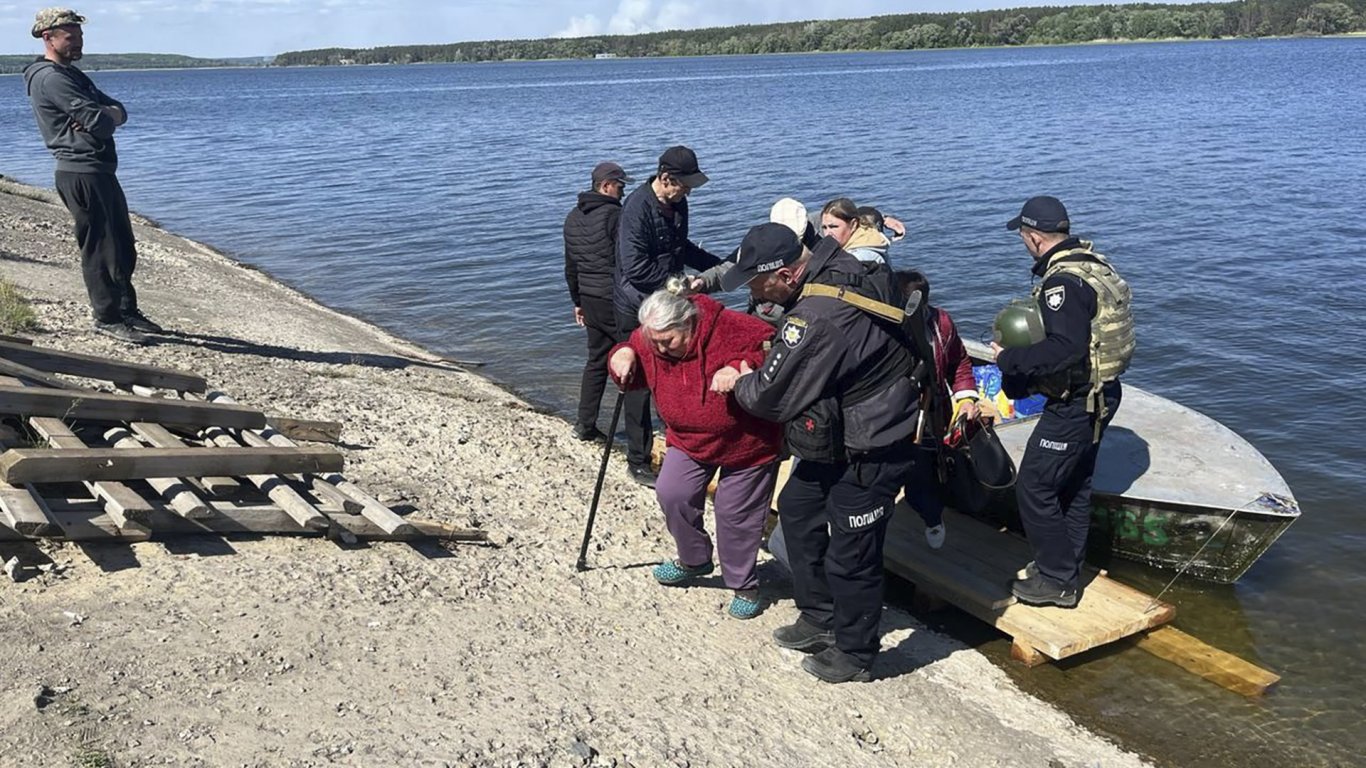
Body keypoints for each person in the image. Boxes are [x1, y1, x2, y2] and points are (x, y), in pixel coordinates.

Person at [724, 223, 920, 684]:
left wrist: (738, 383)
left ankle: (856, 654)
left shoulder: (813, 318)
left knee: (854, 553)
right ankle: (820, 615)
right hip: (839, 430)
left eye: (757, 282)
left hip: (873, 441)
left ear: (788, 275)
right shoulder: (839, 263)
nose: (753, 291)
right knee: (797, 506)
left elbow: (770, 397)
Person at [991, 196, 1134, 608]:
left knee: (1035, 486)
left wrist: (1009, 359)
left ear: (1034, 237)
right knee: (1072, 485)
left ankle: (1056, 580)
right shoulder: (1092, 264)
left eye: (1022, 235)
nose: (1023, 242)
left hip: (1076, 401)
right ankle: (1065, 567)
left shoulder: (1061, 284)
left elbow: (1065, 348)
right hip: (1102, 394)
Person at [608, 290, 781, 619]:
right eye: (653, 341)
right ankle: (694, 560)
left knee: (734, 515)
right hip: (688, 439)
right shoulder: (650, 338)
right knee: (672, 492)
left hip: (748, 441)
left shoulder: (731, 326)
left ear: (688, 323)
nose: (658, 349)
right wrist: (624, 354)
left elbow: (774, 348)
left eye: (668, 341)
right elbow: (631, 359)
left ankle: (743, 584)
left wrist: (738, 369)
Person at [23, 8, 161, 345]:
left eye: (80, 36)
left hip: (99, 170)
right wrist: (102, 116)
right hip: (79, 170)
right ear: (49, 38)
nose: (78, 42)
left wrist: (105, 114)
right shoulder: (51, 78)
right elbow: (100, 124)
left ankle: (126, 309)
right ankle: (107, 317)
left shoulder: (73, 76)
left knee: (123, 247)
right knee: (99, 248)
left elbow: (117, 111)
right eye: (70, 37)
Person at [611, 145, 727, 487]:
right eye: (684, 186)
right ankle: (637, 458)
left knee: (678, 370)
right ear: (665, 179)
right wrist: (678, 285)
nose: (688, 193)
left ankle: (678, 442)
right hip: (636, 304)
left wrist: (718, 265)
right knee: (638, 381)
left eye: (690, 188)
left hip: (668, 300)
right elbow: (635, 268)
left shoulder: (678, 203)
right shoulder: (635, 208)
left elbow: (682, 247)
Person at [894, 270, 980, 550]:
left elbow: (959, 361)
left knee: (925, 473)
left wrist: (966, 398)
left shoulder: (941, 322)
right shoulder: (881, 327)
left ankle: (931, 517)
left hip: (930, 413)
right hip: (889, 415)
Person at [564, 161, 632, 441]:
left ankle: (585, 423)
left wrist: (577, 300)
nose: (624, 192)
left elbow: (570, 266)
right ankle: (640, 438)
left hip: (589, 299)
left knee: (596, 361)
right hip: (613, 299)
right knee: (633, 358)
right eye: (621, 186)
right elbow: (626, 260)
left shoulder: (572, 216)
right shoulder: (615, 215)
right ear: (606, 186)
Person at [819, 198, 891, 265]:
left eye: (833, 227)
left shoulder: (859, 259)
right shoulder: (871, 236)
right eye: (824, 227)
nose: (828, 234)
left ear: (853, 224)